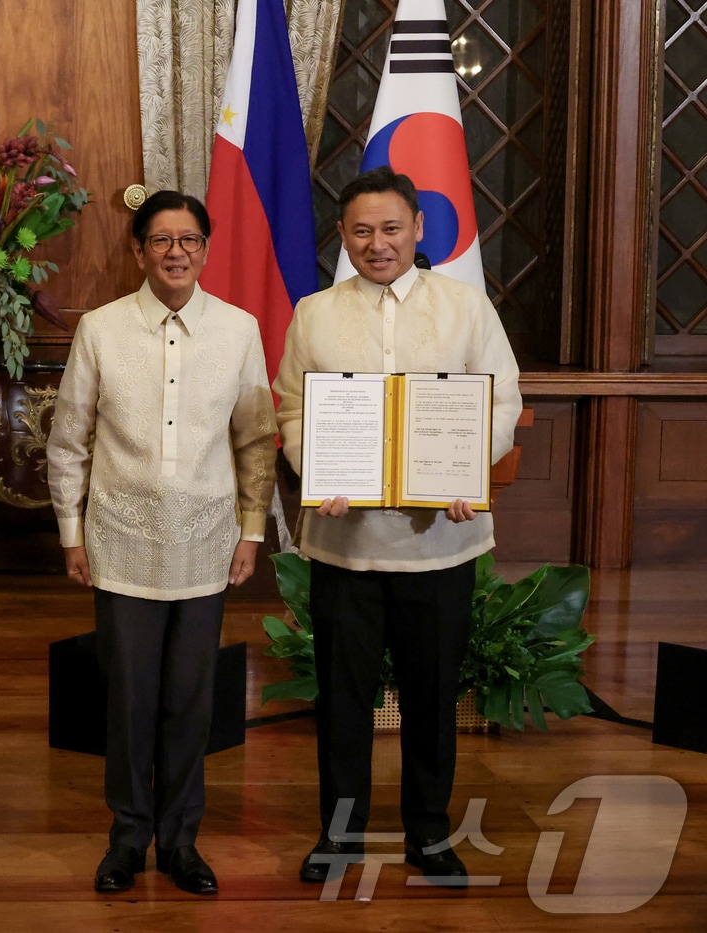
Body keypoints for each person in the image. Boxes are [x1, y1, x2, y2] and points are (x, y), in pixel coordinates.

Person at [273, 166, 522, 886]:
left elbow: (501, 403)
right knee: (343, 700)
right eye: (361, 231)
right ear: (342, 237)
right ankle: (340, 836)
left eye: (390, 228)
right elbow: (293, 407)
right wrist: (317, 467)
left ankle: (429, 835)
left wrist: (464, 470)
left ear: (418, 228)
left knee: (432, 697)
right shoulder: (314, 313)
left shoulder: (466, 307)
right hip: (344, 546)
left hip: (440, 544)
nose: (376, 243)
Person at [46, 190, 278, 896]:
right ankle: (127, 838)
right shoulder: (101, 329)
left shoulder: (238, 330)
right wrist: (71, 532)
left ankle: (181, 841)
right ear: (139, 250)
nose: (176, 252)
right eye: (161, 240)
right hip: (120, 542)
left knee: (189, 701)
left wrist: (252, 530)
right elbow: (68, 440)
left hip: (207, 544)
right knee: (128, 701)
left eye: (189, 240)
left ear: (205, 248)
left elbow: (256, 441)